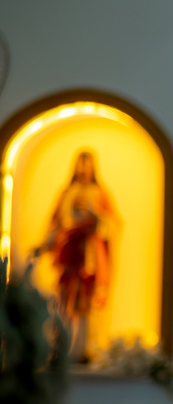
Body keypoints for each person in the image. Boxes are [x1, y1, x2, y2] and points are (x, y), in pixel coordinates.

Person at [35, 149, 121, 359]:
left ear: (93, 168)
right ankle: (66, 347)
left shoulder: (100, 194)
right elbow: (54, 225)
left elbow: (114, 224)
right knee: (67, 301)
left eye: (87, 165)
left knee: (89, 302)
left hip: (91, 255)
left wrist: (97, 220)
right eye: (80, 165)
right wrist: (45, 244)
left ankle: (89, 348)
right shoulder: (66, 194)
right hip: (70, 254)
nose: (83, 170)